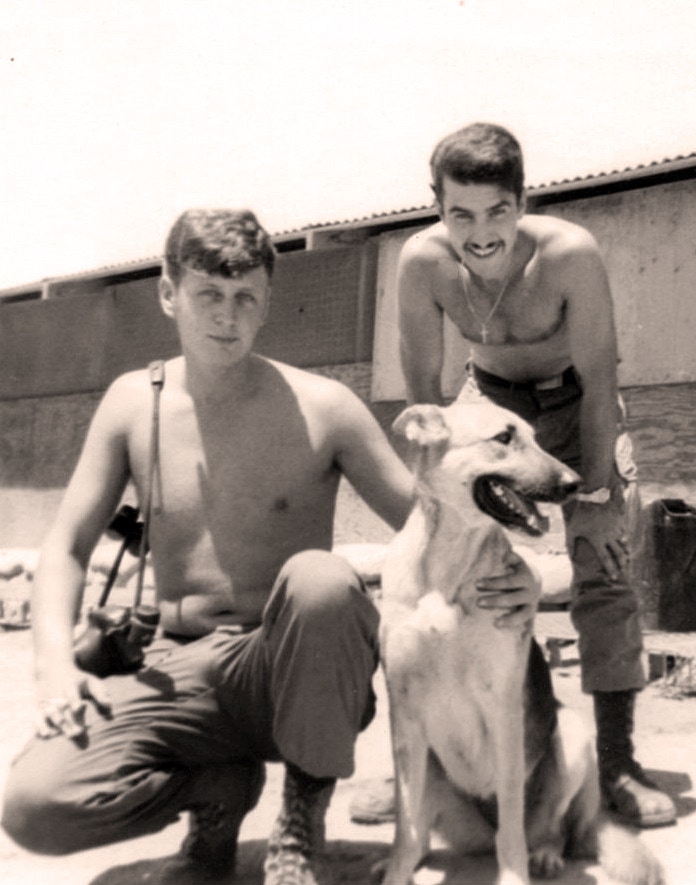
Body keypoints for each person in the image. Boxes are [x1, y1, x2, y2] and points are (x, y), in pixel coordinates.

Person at [0, 208, 540, 885]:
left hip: (287, 668)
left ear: (267, 303)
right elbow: (67, 546)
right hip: (173, 668)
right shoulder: (133, 402)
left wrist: (518, 574)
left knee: (323, 581)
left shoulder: (325, 406)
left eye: (245, 297)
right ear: (168, 293)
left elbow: (437, 516)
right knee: (33, 807)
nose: (226, 316)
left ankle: (300, 819)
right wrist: (54, 663)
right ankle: (217, 795)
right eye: (208, 294)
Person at [394, 123, 676, 828]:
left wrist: (600, 494)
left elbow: (602, 379)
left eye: (497, 211)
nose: (479, 232)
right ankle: (429, 768)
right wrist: (439, 495)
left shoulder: (568, 255)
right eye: (460, 214)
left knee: (604, 563)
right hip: (490, 407)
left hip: (579, 403)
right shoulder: (421, 263)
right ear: (438, 207)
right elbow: (426, 404)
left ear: (522, 201)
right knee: (450, 566)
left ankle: (616, 760)